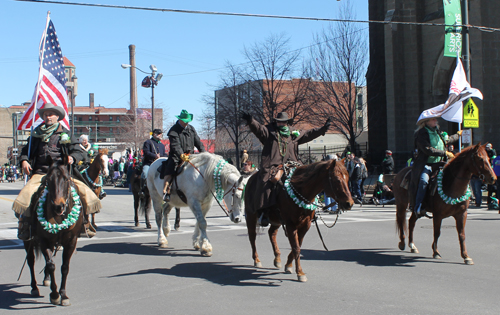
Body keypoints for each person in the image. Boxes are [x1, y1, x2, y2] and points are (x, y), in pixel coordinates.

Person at [12, 103, 101, 240]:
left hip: (62, 172)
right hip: (41, 172)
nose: (48, 117)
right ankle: (25, 225)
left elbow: (79, 151)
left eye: (51, 114)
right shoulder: (36, 134)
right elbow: (25, 151)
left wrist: (73, 158)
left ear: (57, 117)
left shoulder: (65, 133)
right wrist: (24, 160)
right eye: (46, 114)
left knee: (85, 192)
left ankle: (85, 223)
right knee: (26, 194)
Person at [241, 111, 332, 226]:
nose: (281, 124)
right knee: (265, 181)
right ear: (276, 122)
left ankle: (310, 210)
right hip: (273, 165)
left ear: (287, 122)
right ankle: (263, 211)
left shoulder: (293, 133)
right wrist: (251, 121)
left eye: (283, 122)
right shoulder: (269, 132)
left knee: (307, 180)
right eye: (279, 122)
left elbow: (308, 133)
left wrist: (323, 129)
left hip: (292, 164)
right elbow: (259, 129)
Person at [410, 117, 461, 218]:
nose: (436, 121)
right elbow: (427, 149)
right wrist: (445, 152)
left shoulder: (438, 132)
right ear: (426, 122)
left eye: (435, 120)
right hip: (427, 164)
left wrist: (458, 135)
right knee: (424, 180)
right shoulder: (422, 133)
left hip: (441, 163)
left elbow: (447, 140)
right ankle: (418, 206)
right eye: (433, 120)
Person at [162, 109, 205, 201]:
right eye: (185, 121)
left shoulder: (191, 129)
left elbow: (198, 142)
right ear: (180, 120)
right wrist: (181, 155)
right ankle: (166, 191)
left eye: (187, 121)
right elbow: (175, 145)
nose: (186, 123)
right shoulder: (173, 131)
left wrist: (204, 153)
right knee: (171, 168)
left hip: (191, 155)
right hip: (176, 156)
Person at [140, 129, 167, 197]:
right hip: (149, 163)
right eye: (159, 134)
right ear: (154, 134)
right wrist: (155, 156)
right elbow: (146, 152)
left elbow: (163, 154)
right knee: (145, 173)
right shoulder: (148, 142)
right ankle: (143, 189)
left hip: (159, 164)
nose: (160, 135)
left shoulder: (162, 145)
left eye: (161, 134)